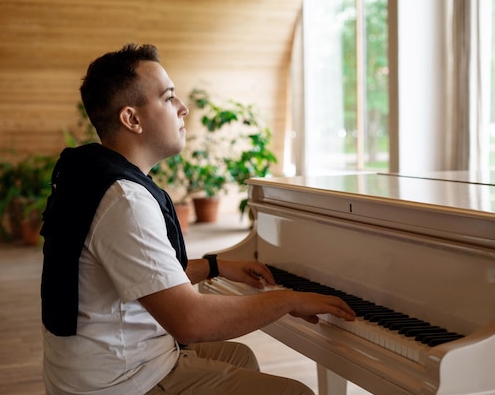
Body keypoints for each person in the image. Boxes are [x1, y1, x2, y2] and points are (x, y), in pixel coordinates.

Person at [39, 43, 356, 395]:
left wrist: (214, 266)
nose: (183, 108)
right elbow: (190, 322)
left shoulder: (93, 176)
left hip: (98, 365)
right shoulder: (125, 200)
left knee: (239, 358)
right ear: (132, 119)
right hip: (120, 382)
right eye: (168, 97)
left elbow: (144, 277)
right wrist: (288, 299)